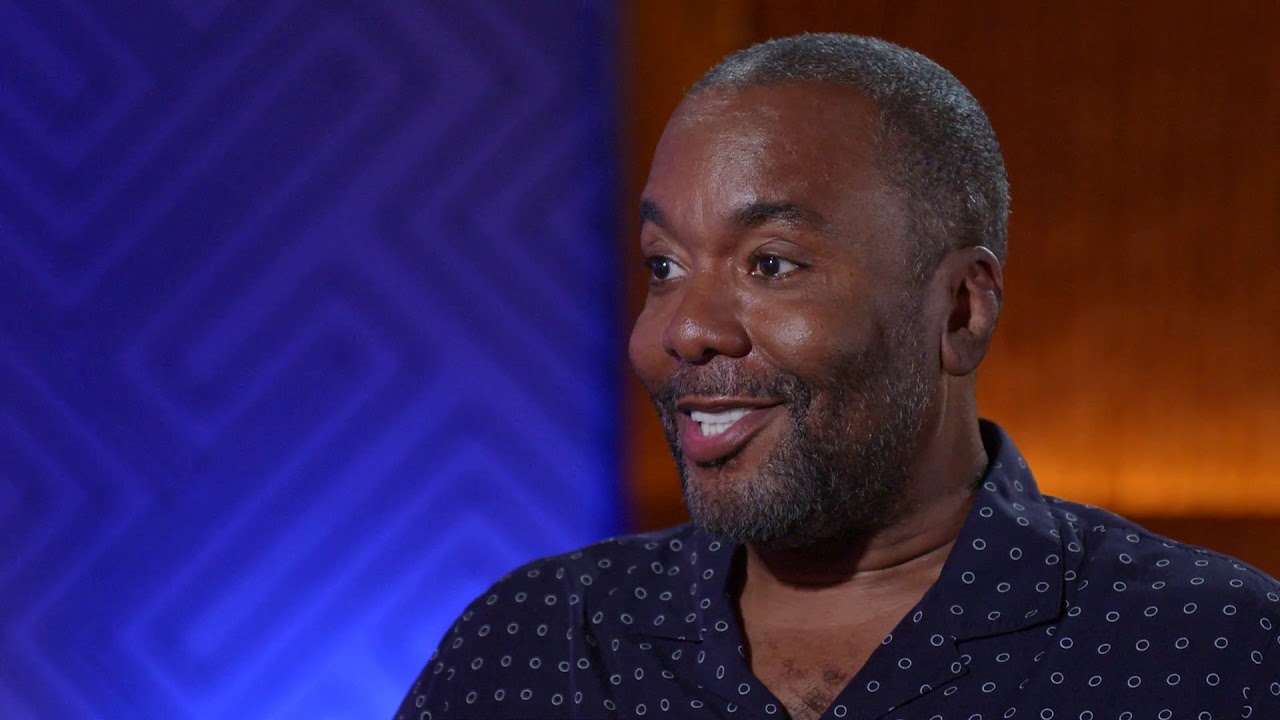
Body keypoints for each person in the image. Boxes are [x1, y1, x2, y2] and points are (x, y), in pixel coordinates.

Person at [395, 33, 1280, 720]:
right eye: (664, 266)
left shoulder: (1212, 652)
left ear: (961, 311)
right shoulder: (534, 644)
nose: (685, 330)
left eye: (771, 264)